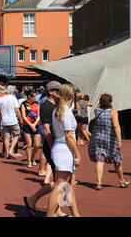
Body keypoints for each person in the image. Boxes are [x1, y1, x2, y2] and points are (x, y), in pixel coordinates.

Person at [23, 81, 69, 217]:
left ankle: (52, 207)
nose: (60, 93)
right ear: (50, 91)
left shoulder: (55, 105)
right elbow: (47, 129)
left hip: (56, 146)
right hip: (53, 147)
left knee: (60, 181)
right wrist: (52, 148)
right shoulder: (47, 107)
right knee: (61, 181)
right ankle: (38, 202)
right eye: (57, 90)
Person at [46, 84, 81, 217]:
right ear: (72, 96)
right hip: (64, 150)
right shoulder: (64, 111)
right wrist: (77, 154)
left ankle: (75, 215)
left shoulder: (59, 110)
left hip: (61, 148)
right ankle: (50, 215)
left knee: (69, 187)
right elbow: (69, 135)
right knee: (60, 186)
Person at [88, 93, 130, 190]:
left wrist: (102, 98)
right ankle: (122, 181)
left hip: (98, 139)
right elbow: (116, 126)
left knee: (100, 160)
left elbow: (97, 106)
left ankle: (99, 183)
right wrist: (119, 139)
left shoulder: (97, 111)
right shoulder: (113, 112)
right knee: (117, 160)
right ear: (110, 102)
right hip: (110, 139)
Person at [0, 85, 23, 159]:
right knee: (17, 135)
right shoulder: (14, 99)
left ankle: (7, 153)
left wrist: (0, 118)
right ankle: (11, 150)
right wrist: (20, 119)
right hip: (13, 120)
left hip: (4, 121)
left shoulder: (1, 99)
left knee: (6, 137)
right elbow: (17, 110)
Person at [20, 90, 41, 168]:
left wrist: (34, 124)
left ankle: (33, 158)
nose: (35, 98)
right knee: (29, 144)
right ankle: (29, 161)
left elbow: (39, 115)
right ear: (29, 96)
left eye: (35, 96)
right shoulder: (24, 104)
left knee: (37, 144)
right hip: (27, 126)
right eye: (34, 96)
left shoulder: (37, 104)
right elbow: (24, 116)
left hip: (36, 125)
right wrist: (31, 125)